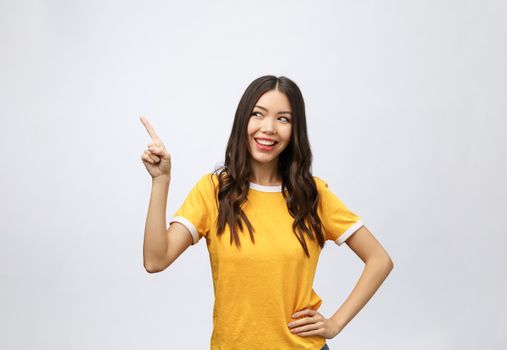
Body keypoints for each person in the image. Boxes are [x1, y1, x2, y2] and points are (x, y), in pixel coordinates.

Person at [140, 75, 394, 350]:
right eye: (258, 114)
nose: (269, 128)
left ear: (295, 130)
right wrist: (160, 181)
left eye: (283, 119)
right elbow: (155, 260)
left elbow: (379, 260)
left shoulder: (313, 195)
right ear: (242, 121)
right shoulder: (214, 192)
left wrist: (335, 323)